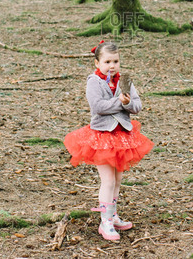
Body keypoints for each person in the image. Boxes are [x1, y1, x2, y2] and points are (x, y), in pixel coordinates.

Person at [64, 41, 154, 241]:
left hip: (122, 137)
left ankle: (113, 215)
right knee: (108, 179)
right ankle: (104, 221)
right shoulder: (93, 81)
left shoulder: (124, 81)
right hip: (101, 137)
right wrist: (119, 103)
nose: (112, 65)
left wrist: (128, 102)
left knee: (118, 180)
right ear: (97, 63)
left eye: (115, 61)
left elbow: (137, 105)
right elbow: (98, 106)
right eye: (107, 61)